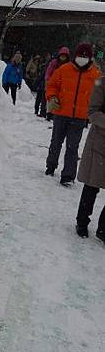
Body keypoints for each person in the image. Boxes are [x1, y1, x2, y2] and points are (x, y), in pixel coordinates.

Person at [45, 43, 102, 186]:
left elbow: (101, 96)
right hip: (61, 112)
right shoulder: (64, 70)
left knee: (73, 146)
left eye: (85, 56)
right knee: (56, 142)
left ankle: (68, 175)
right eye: (80, 55)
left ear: (90, 58)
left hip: (80, 117)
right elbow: (52, 86)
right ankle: (50, 166)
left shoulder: (96, 75)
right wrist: (52, 97)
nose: (82, 58)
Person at [75, 76, 105, 241]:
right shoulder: (102, 84)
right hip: (100, 143)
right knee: (92, 185)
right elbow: (92, 113)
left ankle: (103, 229)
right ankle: (82, 222)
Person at [44, 47, 71, 120]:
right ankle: (49, 114)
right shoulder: (54, 63)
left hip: (62, 85)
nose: (63, 58)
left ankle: (55, 113)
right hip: (53, 83)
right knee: (51, 98)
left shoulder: (68, 65)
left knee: (60, 100)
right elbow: (48, 73)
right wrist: (48, 81)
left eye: (65, 56)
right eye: (62, 56)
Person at [34, 52, 52, 117]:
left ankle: (42, 111)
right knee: (41, 99)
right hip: (43, 84)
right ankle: (40, 111)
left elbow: (42, 75)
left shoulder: (47, 64)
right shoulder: (46, 64)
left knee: (42, 99)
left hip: (43, 84)